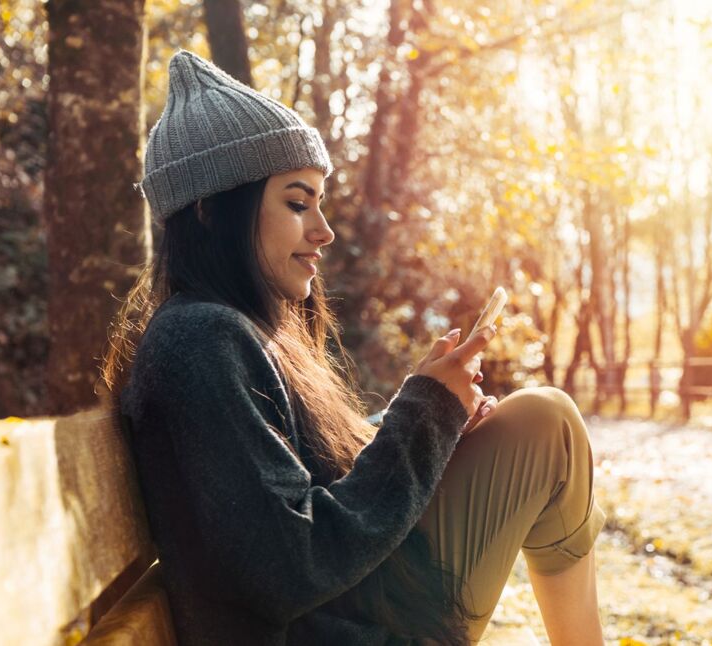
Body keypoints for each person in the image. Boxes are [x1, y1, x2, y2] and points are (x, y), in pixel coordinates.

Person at [100, 49, 607, 645]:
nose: (324, 230)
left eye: (320, 202)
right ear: (210, 212)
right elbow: (292, 564)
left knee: (543, 423)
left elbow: (288, 486)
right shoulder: (197, 341)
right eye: (296, 203)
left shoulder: (226, 331)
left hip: (350, 613)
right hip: (340, 628)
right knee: (547, 423)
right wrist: (422, 420)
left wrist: (433, 416)